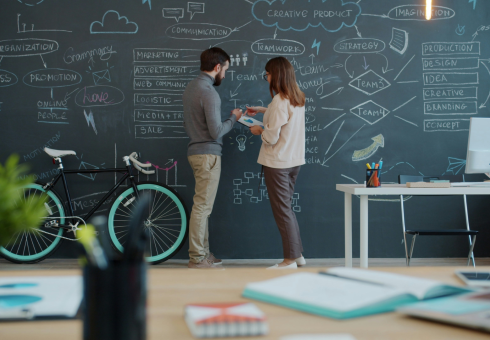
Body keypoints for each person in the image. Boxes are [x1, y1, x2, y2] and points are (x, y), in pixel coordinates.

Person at [183, 47, 243, 269]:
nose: (225, 75)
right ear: (217, 67)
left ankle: (204, 254)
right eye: (225, 69)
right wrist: (234, 118)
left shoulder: (191, 88)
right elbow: (216, 131)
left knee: (202, 206)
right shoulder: (209, 93)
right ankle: (198, 257)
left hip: (195, 152)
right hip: (208, 155)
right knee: (202, 207)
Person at [245, 57, 306, 269]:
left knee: (282, 210)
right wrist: (263, 111)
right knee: (287, 208)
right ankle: (297, 255)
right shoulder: (296, 97)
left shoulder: (280, 101)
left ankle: (289, 260)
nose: (267, 78)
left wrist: (259, 130)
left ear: (276, 75)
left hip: (278, 163)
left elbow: (271, 137)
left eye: (268, 74)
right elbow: (282, 119)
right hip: (293, 161)